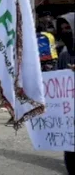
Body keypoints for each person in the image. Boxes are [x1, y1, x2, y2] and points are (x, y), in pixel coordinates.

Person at [56, 13, 74, 175]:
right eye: (62, 29)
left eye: (69, 28)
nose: (66, 31)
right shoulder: (64, 54)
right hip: (69, 116)